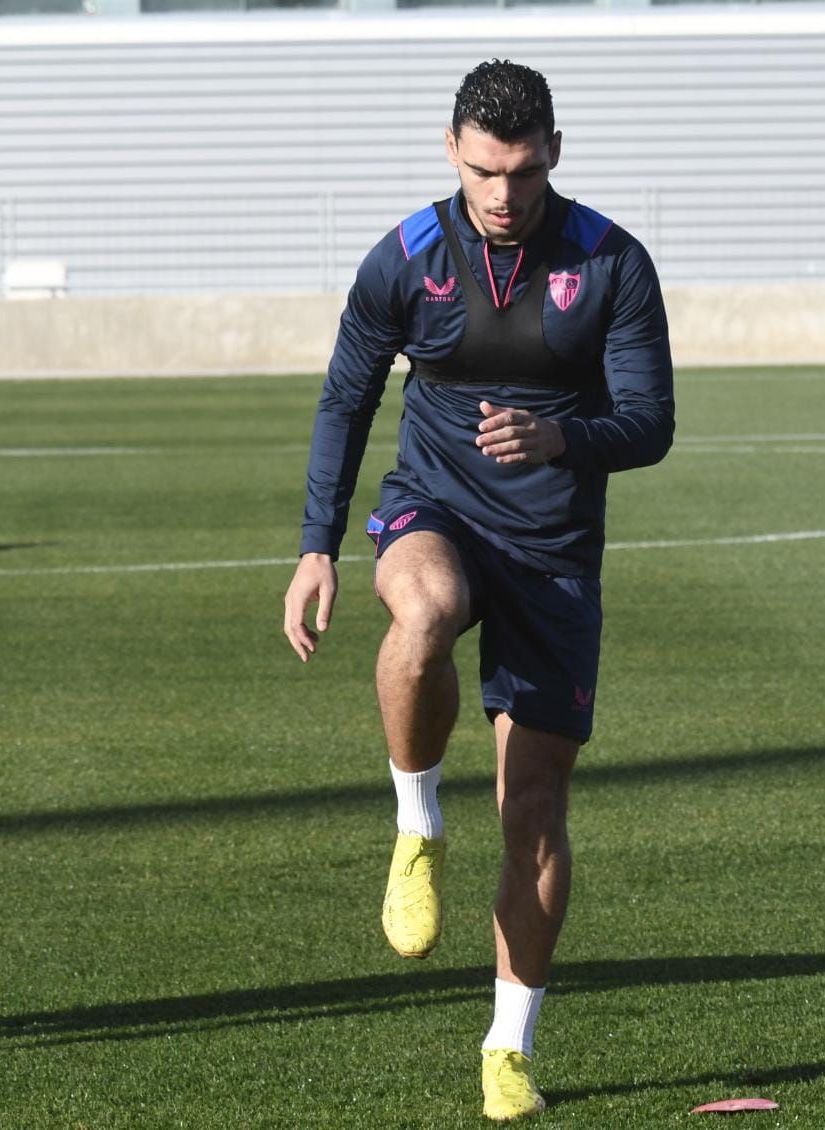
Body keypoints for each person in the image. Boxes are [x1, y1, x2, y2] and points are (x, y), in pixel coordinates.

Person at [281, 59, 674, 1121]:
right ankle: (416, 825)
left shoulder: (610, 263)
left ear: (554, 151)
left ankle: (509, 1044)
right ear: (450, 149)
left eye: (523, 171)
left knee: (535, 809)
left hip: (553, 550)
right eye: (483, 171)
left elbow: (651, 422)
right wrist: (316, 544)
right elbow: (346, 395)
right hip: (436, 510)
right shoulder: (407, 258)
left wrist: (561, 434)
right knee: (422, 612)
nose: (503, 196)